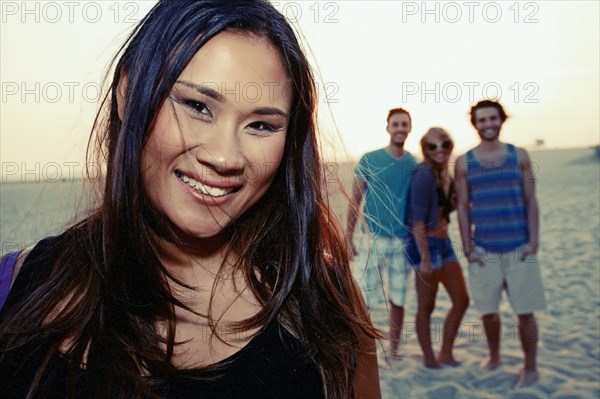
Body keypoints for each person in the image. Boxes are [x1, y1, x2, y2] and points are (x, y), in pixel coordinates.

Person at [0, 1, 381, 398]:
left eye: (261, 125)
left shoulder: (326, 304)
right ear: (128, 94)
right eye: (197, 106)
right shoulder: (15, 286)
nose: (224, 156)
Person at [455, 100, 546, 387]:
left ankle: (530, 367)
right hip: (484, 250)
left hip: (519, 248)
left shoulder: (518, 155)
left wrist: (534, 240)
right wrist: (468, 247)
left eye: (492, 118)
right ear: (475, 124)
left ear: (501, 120)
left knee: (525, 312)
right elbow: (462, 208)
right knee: (489, 313)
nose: (488, 124)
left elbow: (531, 200)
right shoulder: (463, 161)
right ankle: (494, 356)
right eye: (482, 120)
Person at [346, 108, 418, 359]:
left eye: (404, 124)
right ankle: (362, 348)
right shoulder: (369, 159)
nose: (400, 128)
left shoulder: (413, 164)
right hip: (371, 240)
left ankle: (394, 349)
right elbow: (355, 199)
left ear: (409, 128)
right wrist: (348, 237)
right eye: (395, 124)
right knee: (364, 298)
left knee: (398, 298)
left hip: (401, 241)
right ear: (388, 128)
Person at [404, 128, 469, 368]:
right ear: (425, 149)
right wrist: (425, 259)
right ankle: (430, 358)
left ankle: (446, 353)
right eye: (433, 146)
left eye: (444, 144)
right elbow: (417, 221)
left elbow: (447, 209)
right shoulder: (423, 174)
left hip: (445, 244)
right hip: (426, 246)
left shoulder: (445, 174)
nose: (439, 149)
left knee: (461, 300)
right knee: (426, 306)